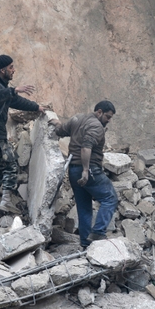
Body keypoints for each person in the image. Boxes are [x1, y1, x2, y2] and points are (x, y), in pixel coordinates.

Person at [0, 55, 46, 213]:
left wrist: (37, 107)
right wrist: (14, 90)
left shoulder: (1, 86)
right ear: (2, 70)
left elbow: (16, 101)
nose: (14, 70)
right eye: (11, 67)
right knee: (10, 166)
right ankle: (6, 201)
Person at [49, 101, 118, 248]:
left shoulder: (77, 119)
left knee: (83, 206)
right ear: (99, 112)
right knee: (110, 197)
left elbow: (61, 131)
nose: (108, 120)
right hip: (89, 169)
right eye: (107, 116)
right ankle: (99, 232)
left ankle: (86, 244)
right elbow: (86, 147)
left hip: (73, 169)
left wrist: (56, 123)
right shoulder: (96, 127)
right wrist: (86, 171)